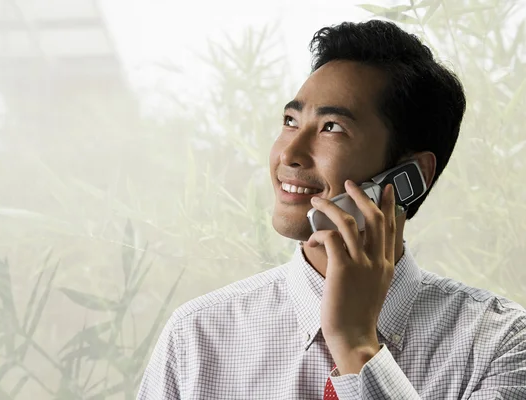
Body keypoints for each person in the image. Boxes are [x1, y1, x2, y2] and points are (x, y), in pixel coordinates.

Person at [136, 20, 526, 399]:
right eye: (290, 121)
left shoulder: (499, 343)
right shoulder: (196, 338)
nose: (288, 153)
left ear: (409, 175)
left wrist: (357, 345)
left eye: (331, 128)